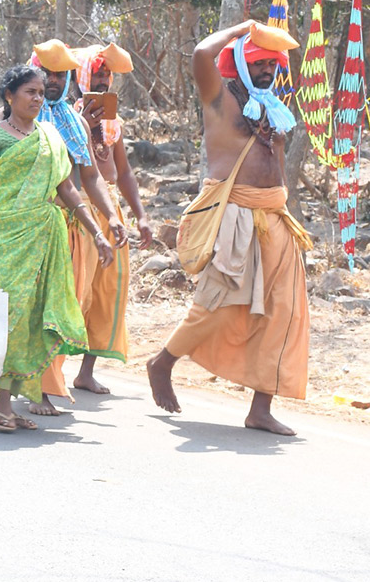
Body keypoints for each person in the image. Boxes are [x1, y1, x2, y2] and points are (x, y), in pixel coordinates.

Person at [147, 22, 311, 436]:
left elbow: (273, 160)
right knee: (216, 302)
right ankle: (163, 361)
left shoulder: (271, 107)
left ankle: (260, 408)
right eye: (257, 63)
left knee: (283, 314)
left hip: (274, 219)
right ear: (239, 62)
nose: (266, 71)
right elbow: (201, 53)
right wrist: (246, 28)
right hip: (234, 216)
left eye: (271, 64)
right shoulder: (218, 98)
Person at [0, 65, 114, 431]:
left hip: (44, 235)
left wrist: (97, 233)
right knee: (11, 316)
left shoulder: (50, 137)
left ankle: (10, 403)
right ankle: (1, 402)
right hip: (3, 237)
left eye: (41, 93)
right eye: (30, 92)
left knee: (33, 318)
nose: (38, 99)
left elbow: (68, 190)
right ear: (10, 96)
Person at [16, 39, 126, 415]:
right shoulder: (13, 120)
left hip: (71, 225)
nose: (52, 80)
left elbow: (90, 176)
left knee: (66, 307)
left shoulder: (74, 120)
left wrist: (109, 216)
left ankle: (45, 380)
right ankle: (38, 389)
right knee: (34, 308)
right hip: (28, 226)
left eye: (60, 74)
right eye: (45, 73)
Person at [68, 43, 153, 395]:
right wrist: (82, 127)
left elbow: (124, 172)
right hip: (78, 209)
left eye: (106, 74)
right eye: (97, 73)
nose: (102, 80)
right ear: (81, 76)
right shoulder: (63, 116)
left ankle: (86, 371)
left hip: (111, 211)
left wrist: (141, 216)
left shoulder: (113, 121)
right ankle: (48, 370)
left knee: (108, 290)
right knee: (74, 288)